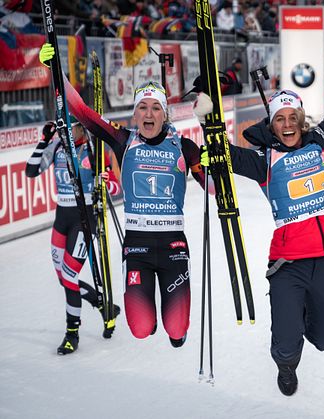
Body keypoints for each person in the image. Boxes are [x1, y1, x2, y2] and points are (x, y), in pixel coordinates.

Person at [194, 45, 324, 396]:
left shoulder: (320, 142)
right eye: (279, 119)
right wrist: (207, 120)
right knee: (287, 344)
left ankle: (306, 315)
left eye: (292, 117)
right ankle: (287, 366)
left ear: (301, 120)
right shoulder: (264, 160)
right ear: (271, 125)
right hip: (289, 264)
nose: (287, 124)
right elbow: (225, 155)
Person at [39, 43, 209, 348]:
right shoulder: (122, 140)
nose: (148, 113)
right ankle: (158, 320)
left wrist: (212, 166)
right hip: (137, 246)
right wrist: (56, 73)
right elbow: (80, 110)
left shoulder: (184, 147)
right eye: (142, 107)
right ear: (135, 113)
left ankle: (176, 326)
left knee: (175, 329)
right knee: (142, 329)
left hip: (173, 246)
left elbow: (212, 189)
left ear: (164, 113)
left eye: (155, 107)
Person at [25, 117, 122, 355]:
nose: (63, 132)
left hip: (84, 219)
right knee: (63, 279)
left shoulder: (93, 149)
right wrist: (44, 140)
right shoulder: (57, 146)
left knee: (70, 276)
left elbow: (116, 187)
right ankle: (101, 303)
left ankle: (72, 334)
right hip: (62, 219)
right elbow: (31, 170)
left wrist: (103, 182)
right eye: (60, 128)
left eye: (67, 128)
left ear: (80, 128)